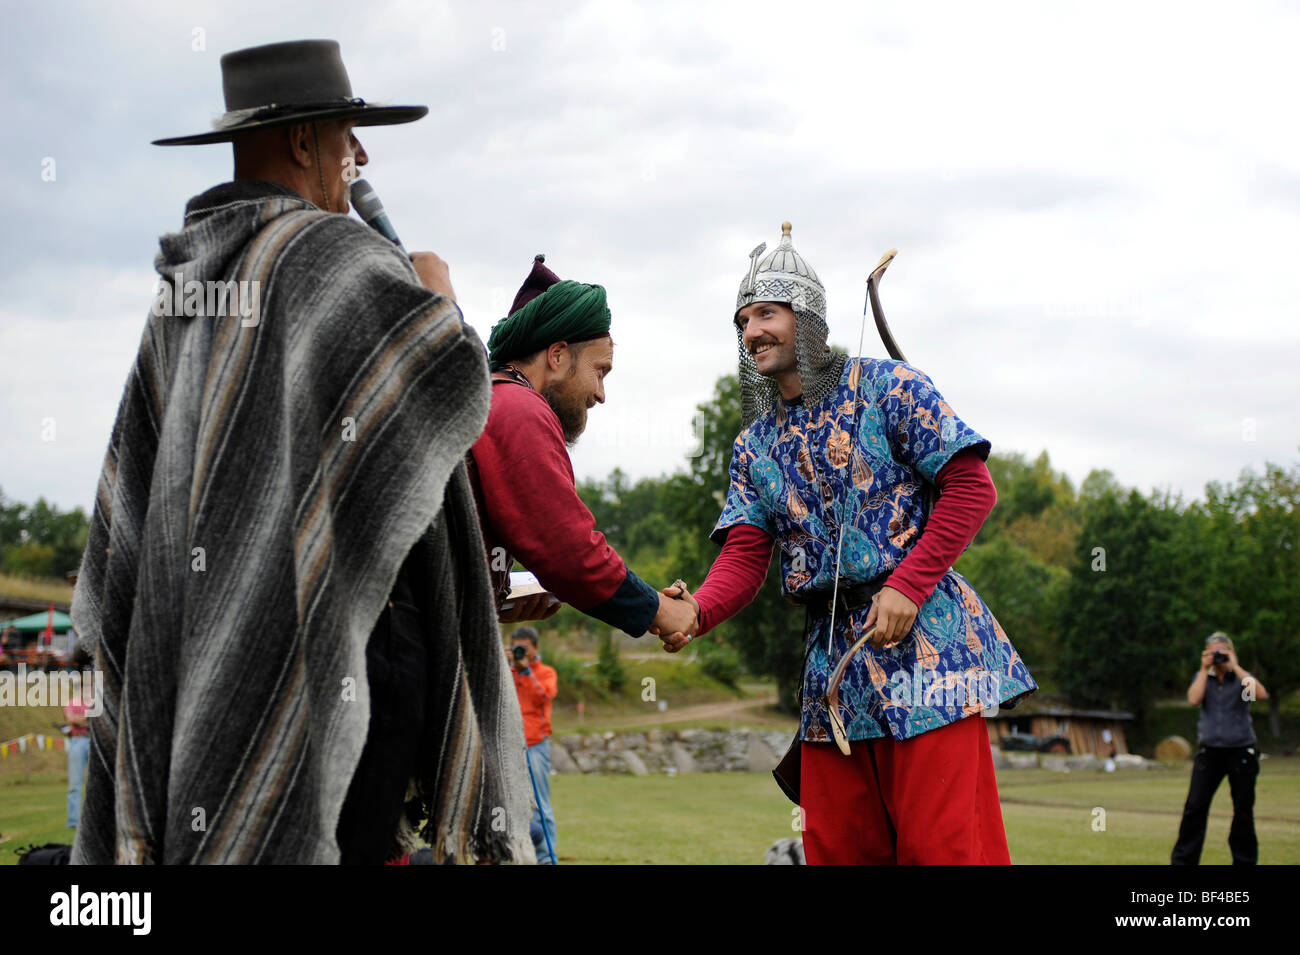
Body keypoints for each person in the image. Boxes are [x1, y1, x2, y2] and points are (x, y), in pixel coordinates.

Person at [69, 40, 533, 864]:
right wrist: (440, 300)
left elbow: (138, 509)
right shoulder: (330, 257)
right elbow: (456, 385)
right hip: (347, 650)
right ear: (302, 140)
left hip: (200, 659)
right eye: (349, 135)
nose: (359, 157)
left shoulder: (186, 286)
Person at [659, 223, 1037, 864]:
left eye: (767, 314)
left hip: (929, 657)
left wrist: (907, 584)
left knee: (941, 851)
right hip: (832, 669)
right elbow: (746, 554)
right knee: (839, 850)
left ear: (806, 319)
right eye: (744, 319)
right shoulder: (754, 445)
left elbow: (972, 489)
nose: (753, 331)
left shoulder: (892, 388)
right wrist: (695, 612)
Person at [467, 254, 697, 638]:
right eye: (599, 371)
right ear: (557, 356)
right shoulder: (519, 408)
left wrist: (496, 598)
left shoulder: (489, 399)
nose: (600, 394)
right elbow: (569, 551)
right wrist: (658, 610)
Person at [1171, 632, 1268, 865]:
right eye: (1213, 651)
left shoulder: (1240, 679)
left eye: (1222, 651)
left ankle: (1244, 862)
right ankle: (1184, 862)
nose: (1218, 656)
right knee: (1195, 807)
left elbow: (1259, 694)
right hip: (1210, 752)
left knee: (1243, 810)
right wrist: (1205, 670)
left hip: (1241, 750)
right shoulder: (1204, 677)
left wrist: (1235, 666)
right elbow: (1194, 699)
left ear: (1231, 651)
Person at [507, 626, 560, 863]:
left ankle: (546, 857)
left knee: (541, 805)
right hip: (509, 746)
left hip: (536, 744)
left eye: (524, 648)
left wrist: (525, 671)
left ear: (536, 649)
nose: (521, 652)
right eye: (517, 648)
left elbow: (544, 697)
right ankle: (507, 854)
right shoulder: (506, 671)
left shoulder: (546, 672)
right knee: (506, 803)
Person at [63, 676, 92, 829]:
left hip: (92, 741)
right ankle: (73, 821)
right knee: (75, 784)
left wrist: (81, 719)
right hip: (78, 741)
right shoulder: (72, 703)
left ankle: (94, 819)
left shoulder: (96, 703)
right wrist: (87, 718)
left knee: (95, 783)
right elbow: (71, 720)